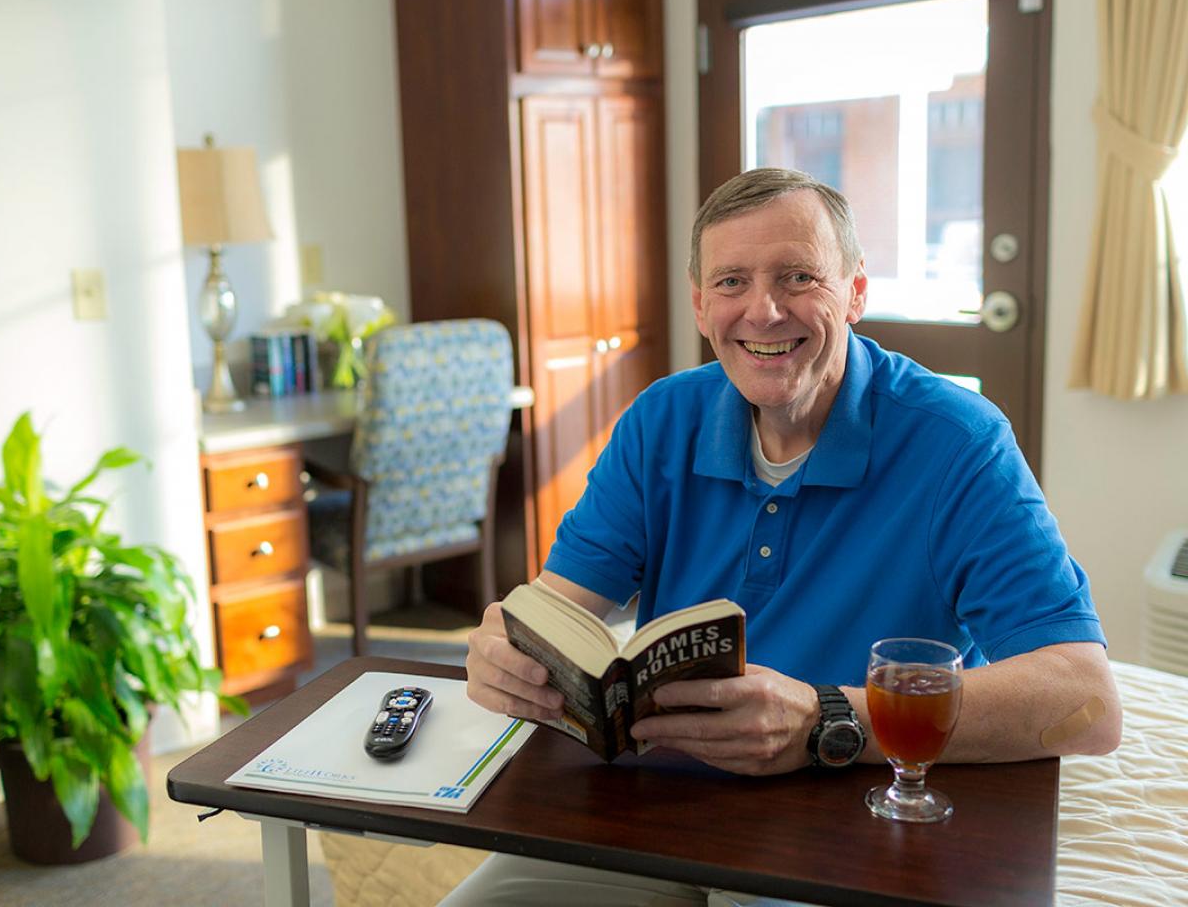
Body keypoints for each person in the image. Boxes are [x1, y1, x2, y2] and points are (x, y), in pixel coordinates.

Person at [444, 167, 1121, 905]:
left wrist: (823, 722)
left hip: (856, 814)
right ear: (702, 307)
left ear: (856, 293)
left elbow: (1085, 703)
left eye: (798, 277)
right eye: (731, 283)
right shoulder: (659, 421)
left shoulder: (959, 442)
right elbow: (557, 609)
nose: (762, 312)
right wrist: (506, 648)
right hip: (654, 808)